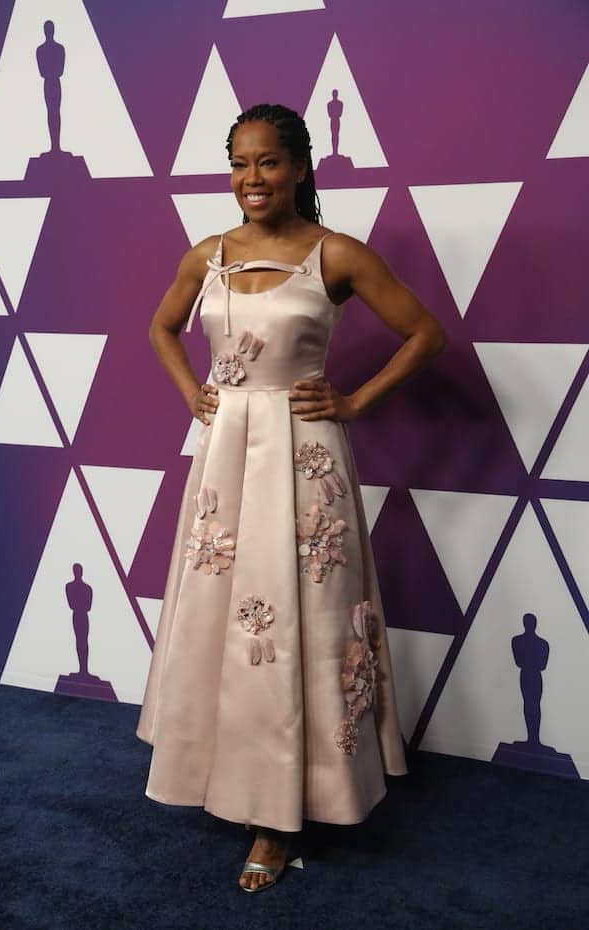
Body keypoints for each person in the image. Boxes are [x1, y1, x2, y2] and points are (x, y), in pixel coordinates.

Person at [136, 103, 446, 893]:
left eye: (268, 162)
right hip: (225, 462)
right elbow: (161, 330)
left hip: (303, 461)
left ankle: (280, 820)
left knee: (302, 623)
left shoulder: (334, 254)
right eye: (239, 164)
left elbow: (425, 333)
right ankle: (230, 779)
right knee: (221, 622)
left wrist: (354, 401)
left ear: (301, 166)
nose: (251, 179)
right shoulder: (207, 254)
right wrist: (192, 396)